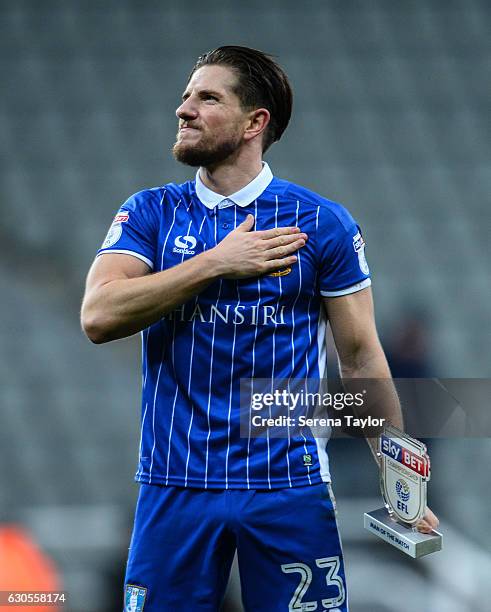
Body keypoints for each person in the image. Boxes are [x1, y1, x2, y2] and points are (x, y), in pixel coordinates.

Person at [81, 46, 438, 612]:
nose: (184, 109)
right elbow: (98, 316)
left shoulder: (322, 223)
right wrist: (217, 261)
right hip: (175, 485)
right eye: (184, 96)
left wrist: (400, 476)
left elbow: (361, 359)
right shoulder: (150, 213)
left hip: (287, 487)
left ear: (255, 123)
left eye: (207, 97)